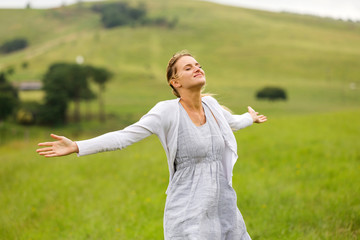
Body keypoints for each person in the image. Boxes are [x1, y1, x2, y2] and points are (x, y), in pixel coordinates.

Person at [37, 51, 267, 239]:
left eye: (198, 64)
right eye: (188, 67)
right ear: (174, 82)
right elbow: (124, 136)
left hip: (223, 205)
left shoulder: (212, 106)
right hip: (189, 209)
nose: (197, 68)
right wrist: (78, 145)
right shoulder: (166, 112)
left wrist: (251, 118)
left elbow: (233, 123)